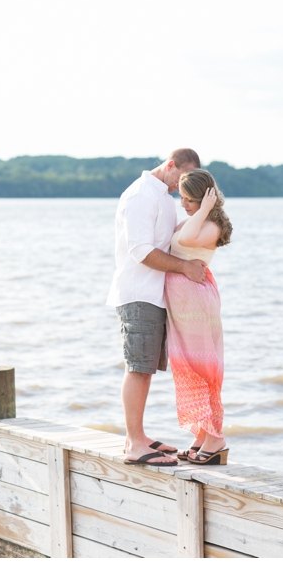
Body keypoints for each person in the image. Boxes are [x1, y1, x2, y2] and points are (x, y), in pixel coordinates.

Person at [106, 149, 206, 466]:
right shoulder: (140, 195)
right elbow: (141, 251)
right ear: (170, 165)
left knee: (145, 368)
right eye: (183, 176)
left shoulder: (164, 196)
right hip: (138, 293)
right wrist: (185, 268)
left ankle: (138, 437)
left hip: (154, 294)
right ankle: (135, 444)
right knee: (138, 367)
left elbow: (173, 236)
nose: (184, 185)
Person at [165, 169, 233, 465]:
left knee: (201, 365)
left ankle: (215, 437)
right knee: (186, 364)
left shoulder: (211, 226)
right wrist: (198, 209)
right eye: (182, 197)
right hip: (182, 307)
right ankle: (203, 433)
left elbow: (189, 240)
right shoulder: (194, 219)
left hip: (197, 304)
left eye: (190, 199)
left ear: (207, 198)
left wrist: (205, 208)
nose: (184, 204)